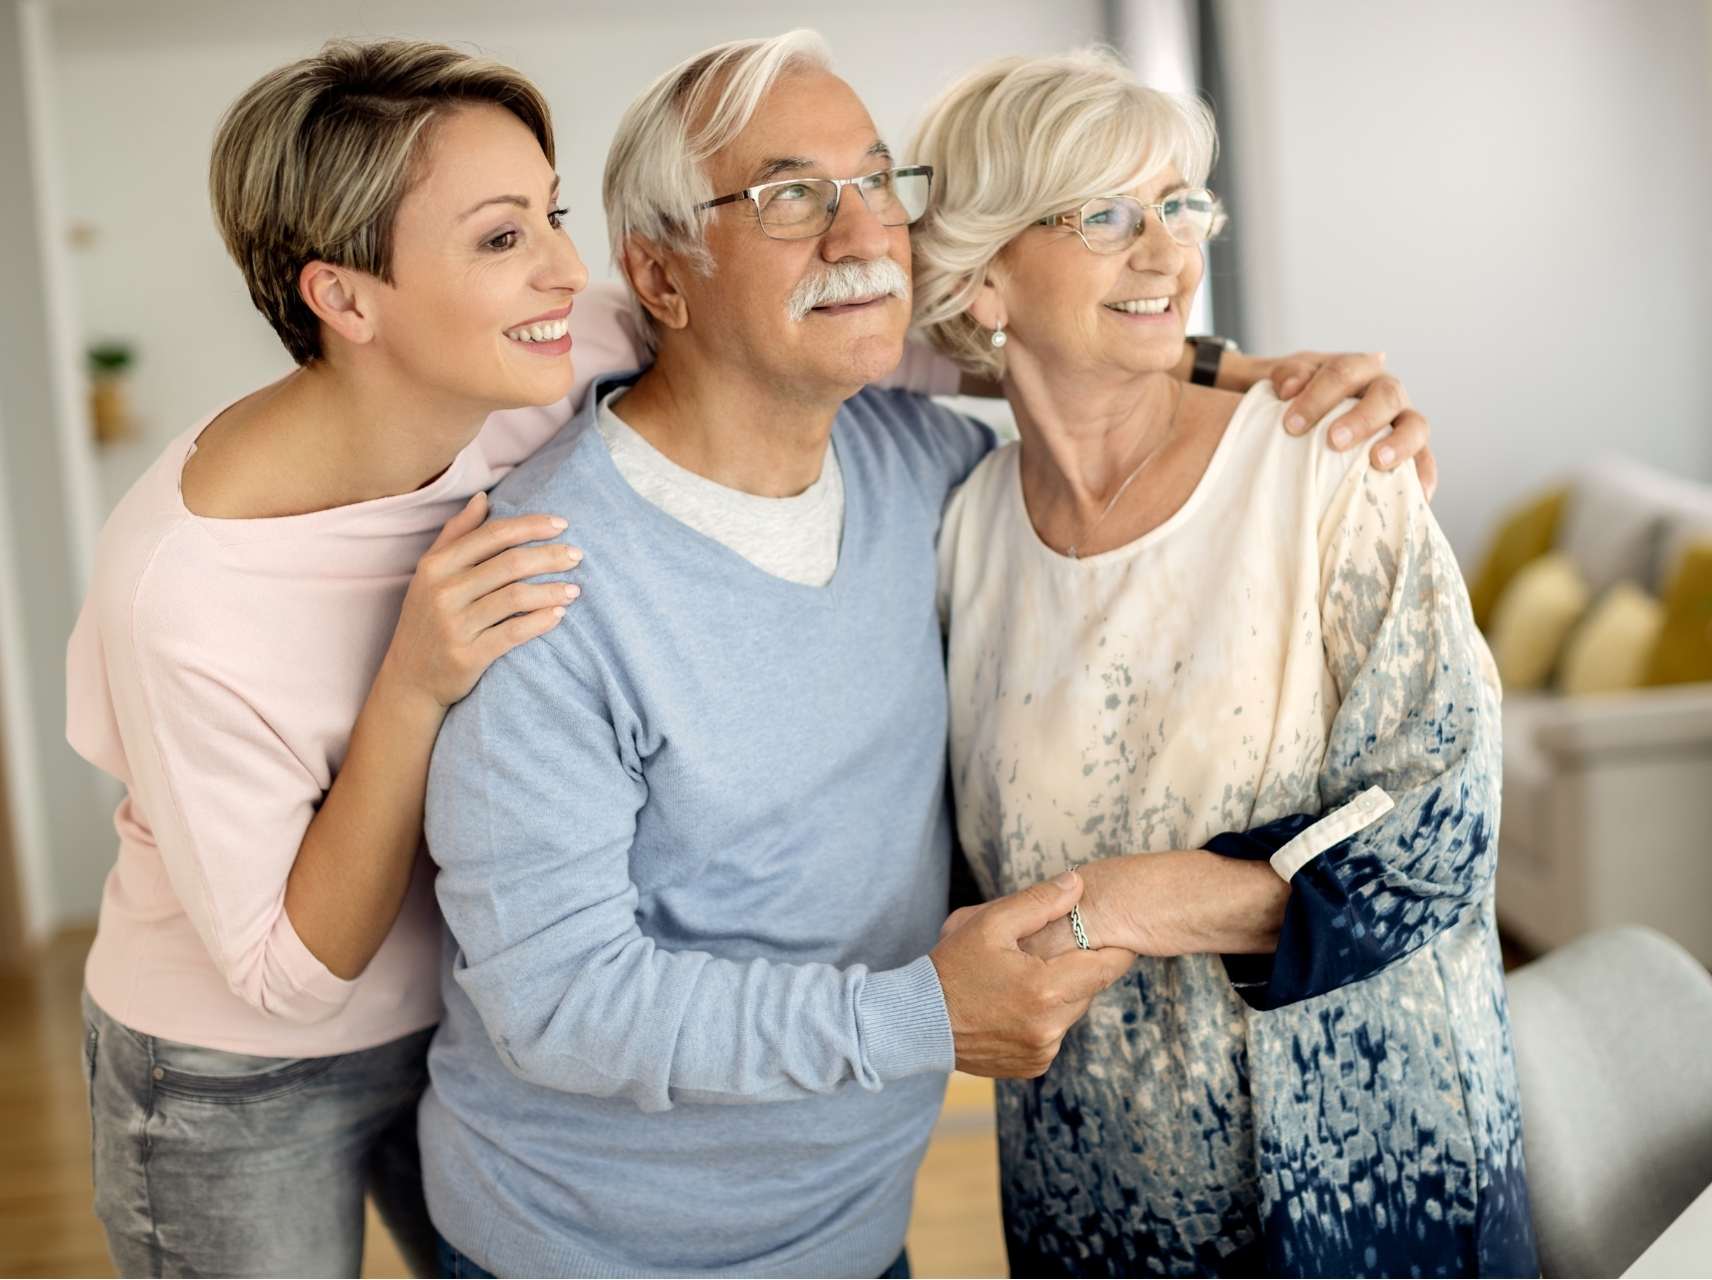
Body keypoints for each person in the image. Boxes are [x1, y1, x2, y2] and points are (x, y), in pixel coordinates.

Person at [415, 31, 1437, 1280]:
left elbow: (1065, 399)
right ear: (660, 279)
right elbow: (558, 1001)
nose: (859, 237)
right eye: (789, 196)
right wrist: (923, 1013)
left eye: (877, 185)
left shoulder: (932, 480)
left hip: (856, 1227)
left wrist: (1279, 393)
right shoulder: (541, 578)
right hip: (593, 1247)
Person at [918, 51, 1538, 1277]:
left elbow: (1446, 818)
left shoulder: (1325, 466)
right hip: (1097, 1191)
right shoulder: (961, 528)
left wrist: (1132, 896)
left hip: (1367, 1173)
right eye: (1106, 216)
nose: (1166, 253)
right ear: (986, 276)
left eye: (1180, 206)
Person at [63, 39, 602, 1277]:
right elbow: (283, 978)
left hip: (471, 1024)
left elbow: (731, 337)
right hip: (231, 1075)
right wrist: (412, 679)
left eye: (554, 213)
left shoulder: (524, 376)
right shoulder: (183, 587)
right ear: (345, 299)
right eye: (503, 237)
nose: (571, 268)